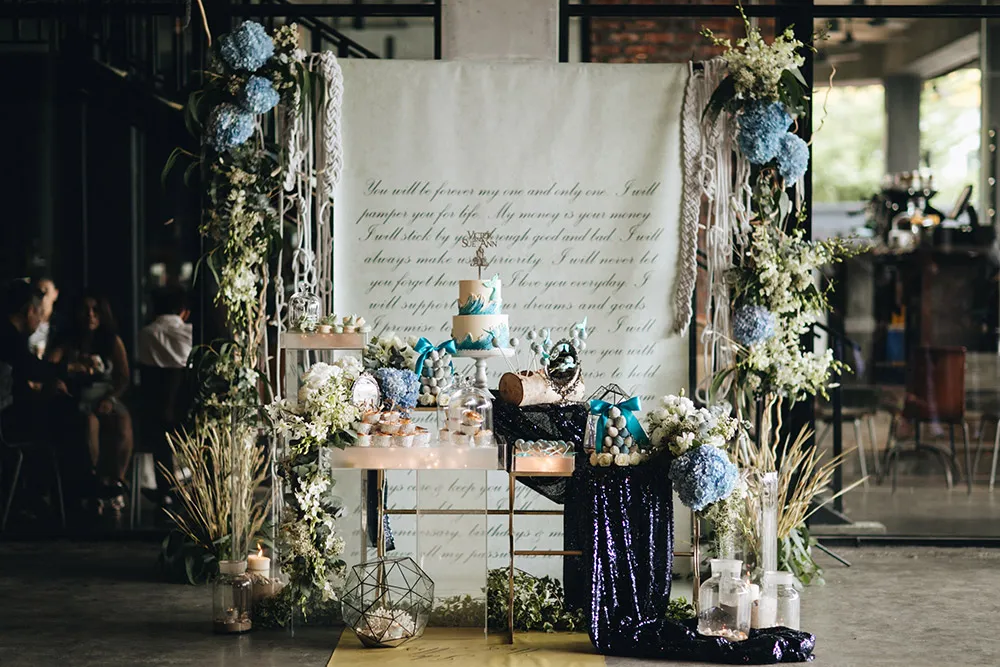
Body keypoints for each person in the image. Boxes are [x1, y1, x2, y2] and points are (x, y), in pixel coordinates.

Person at [48, 291, 133, 512]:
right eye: (85, 310)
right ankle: (93, 482)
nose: (90, 315)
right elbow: (50, 365)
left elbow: (123, 377)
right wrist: (59, 379)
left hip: (105, 394)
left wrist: (110, 398)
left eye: (95, 310)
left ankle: (117, 482)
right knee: (90, 423)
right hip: (78, 397)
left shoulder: (112, 341)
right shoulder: (67, 340)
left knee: (122, 421)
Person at [137, 287, 192, 508]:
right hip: (185, 411)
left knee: (159, 432)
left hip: (152, 413)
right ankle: (184, 489)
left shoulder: (146, 334)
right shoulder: (189, 334)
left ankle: (166, 490)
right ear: (184, 312)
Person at [27, 277, 59, 359]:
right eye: (39, 292)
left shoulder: (60, 326)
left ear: (55, 294)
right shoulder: (27, 320)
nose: (43, 295)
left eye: (46, 290)